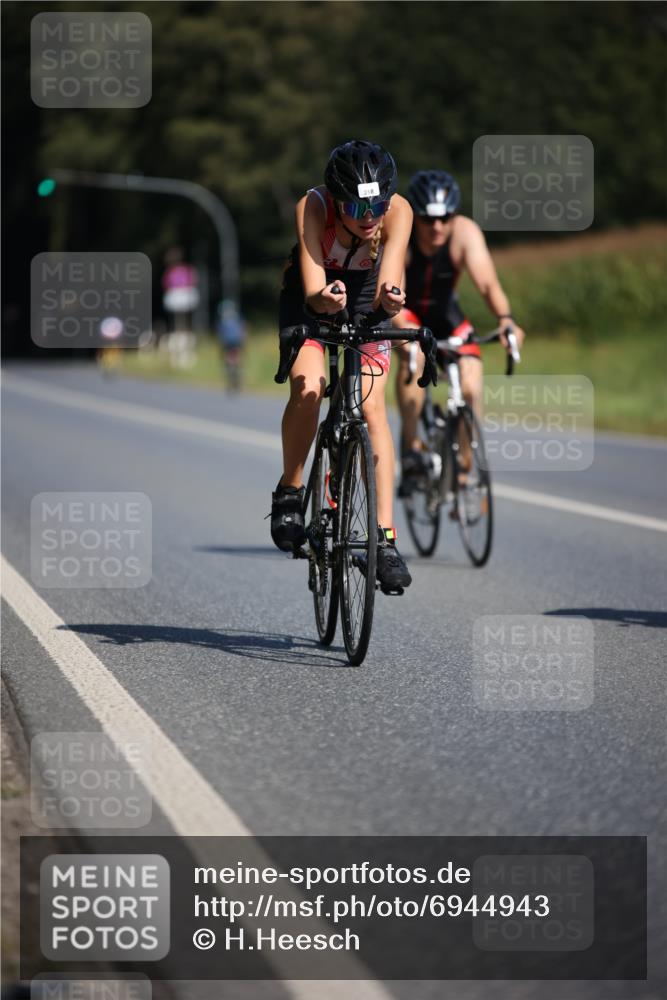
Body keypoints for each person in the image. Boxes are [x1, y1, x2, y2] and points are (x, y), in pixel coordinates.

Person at [271, 139, 414, 591]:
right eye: (356, 206)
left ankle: (385, 540)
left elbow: (389, 283)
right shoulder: (313, 207)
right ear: (336, 199)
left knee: (372, 412)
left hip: (366, 297)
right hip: (310, 300)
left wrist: (390, 300)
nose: (370, 216)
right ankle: (291, 490)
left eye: (378, 204)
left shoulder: (398, 212)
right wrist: (324, 299)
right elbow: (313, 286)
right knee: (310, 386)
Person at [393, 170, 526, 493]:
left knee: (471, 385)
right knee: (415, 361)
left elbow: (488, 284)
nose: (437, 227)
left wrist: (506, 319)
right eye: (428, 219)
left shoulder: (465, 232)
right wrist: (404, 331)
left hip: (445, 315)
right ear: (416, 215)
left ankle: (464, 467)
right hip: (405, 313)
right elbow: (389, 293)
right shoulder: (402, 232)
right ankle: (410, 450)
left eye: (445, 218)